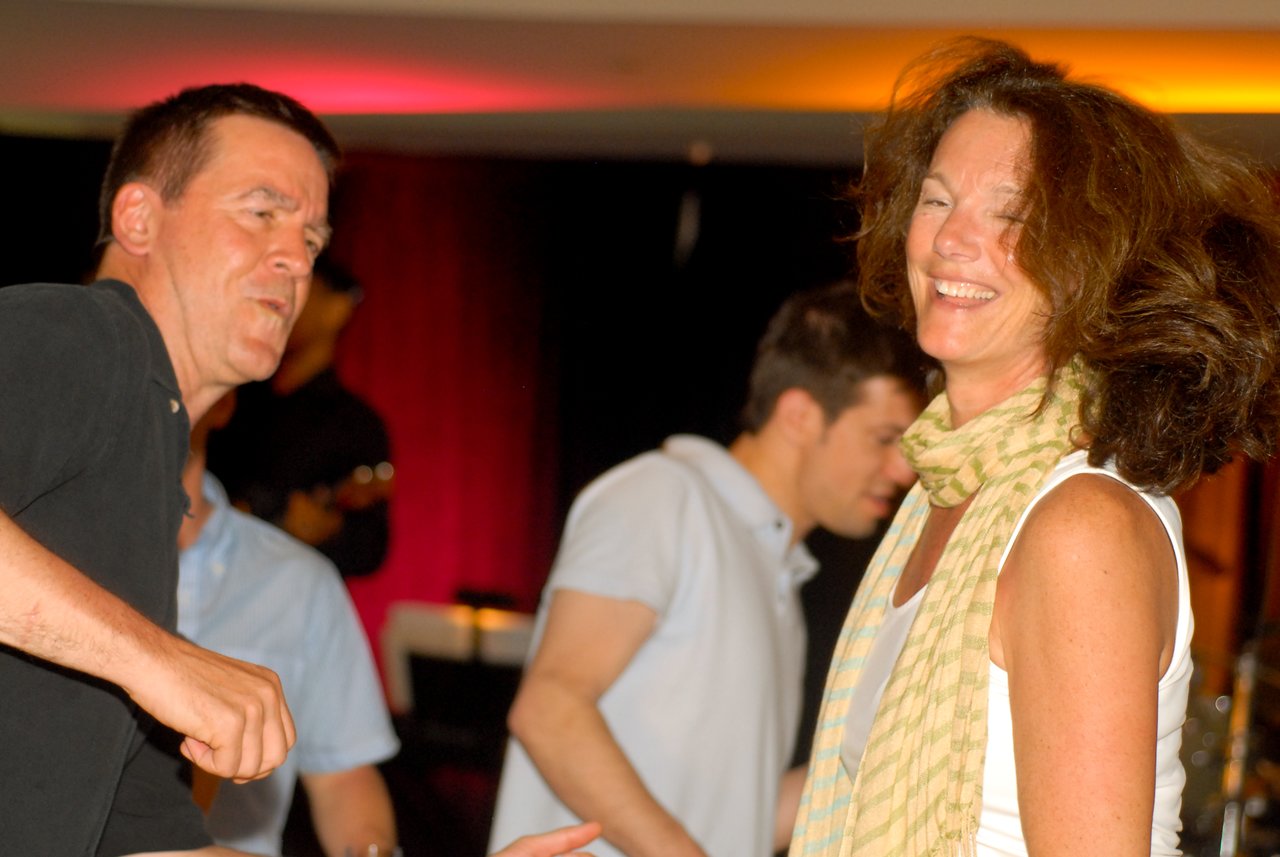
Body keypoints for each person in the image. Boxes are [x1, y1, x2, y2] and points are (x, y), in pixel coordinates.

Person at [788, 38, 1280, 856]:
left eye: (1012, 216)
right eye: (938, 200)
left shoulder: (1080, 523)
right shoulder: (940, 495)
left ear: (1096, 264)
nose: (950, 241)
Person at [0, 82, 337, 856]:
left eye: (313, 240)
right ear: (139, 218)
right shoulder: (82, 336)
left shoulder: (148, 465)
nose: (295, 258)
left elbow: (157, 840)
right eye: (262, 212)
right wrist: (159, 662)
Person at [488, 283, 926, 857]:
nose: (902, 470)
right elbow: (549, 709)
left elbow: (741, 823)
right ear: (798, 415)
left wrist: (886, 746)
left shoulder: (778, 575)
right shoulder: (663, 496)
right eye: (886, 438)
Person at [178, 392, 400, 857]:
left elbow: (343, 775)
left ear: (225, 403)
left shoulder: (301, 580)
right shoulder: (40, 560)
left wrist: (369, 849)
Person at [208, 255, 393, 578]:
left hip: (284, 603)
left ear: (338, 308)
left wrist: (328, 531)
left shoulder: (356, 424)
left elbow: (370, 548)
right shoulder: (233, 396)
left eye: (303, 292)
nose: (284, 304)